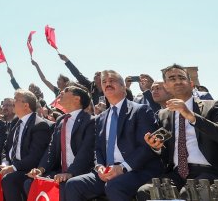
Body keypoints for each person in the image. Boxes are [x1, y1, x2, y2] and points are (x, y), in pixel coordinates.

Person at [137, 64, 218, 200]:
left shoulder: (212, 106)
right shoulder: (162, 115)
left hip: (208, 170)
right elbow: (164, 152)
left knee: (187, 193)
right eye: (172, 78)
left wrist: (192, 116)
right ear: (166, 85)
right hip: (176, 173)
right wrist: (156, 147)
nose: (177, 81)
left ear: (191, 83)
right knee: (145, 192)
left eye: (181, 77)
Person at [61, 70, 162, 201]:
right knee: (73, 185)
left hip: (137, 170)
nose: (107, 83)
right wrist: (100, 167)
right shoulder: (100, 118)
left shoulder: (140, 110)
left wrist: (122, 168)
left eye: (112, 80)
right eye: (104, 82)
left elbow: (146, 147)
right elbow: (97, 148)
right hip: (107, 171)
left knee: (114, 186)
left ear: (123, 87)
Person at [31, 84, 96, 186]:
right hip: (60, 171)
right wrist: (41, 169)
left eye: (66, 90)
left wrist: (70, 172)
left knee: (69, 185)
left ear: (76, 99)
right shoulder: (61, 120)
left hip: (81, 171)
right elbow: (51, 148)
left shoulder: (90, 121)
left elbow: (86, 151)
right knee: (31, 183)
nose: (61, 92)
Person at [0, 89, 51, 201]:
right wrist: (5, 163)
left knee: (9, 179)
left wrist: (13, 168)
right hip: (12, 166)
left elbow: (35, 157)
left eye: (16, 100)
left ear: (26, 105)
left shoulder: (39, 125)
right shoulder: (16, 122)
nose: (13, 102)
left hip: (27, 170)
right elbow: (6, 148)